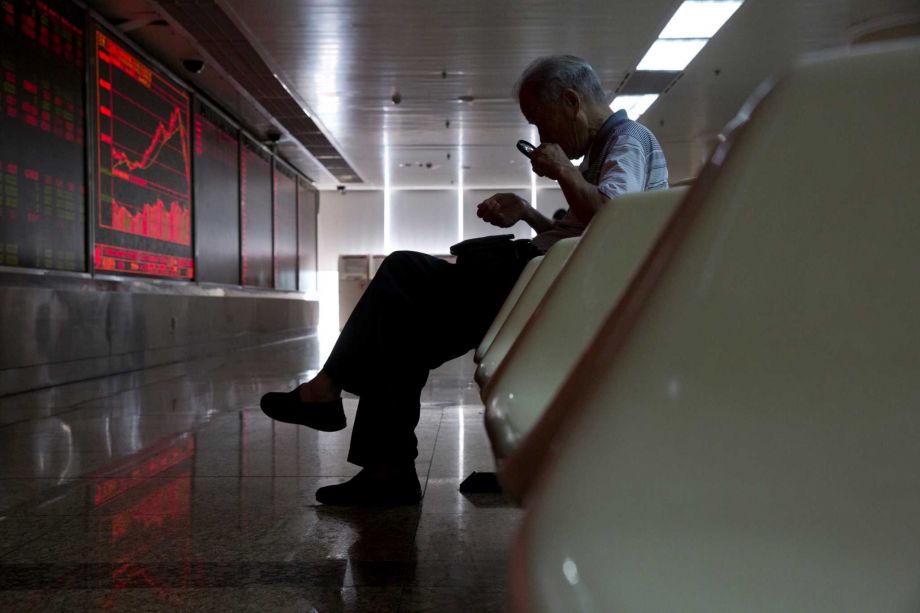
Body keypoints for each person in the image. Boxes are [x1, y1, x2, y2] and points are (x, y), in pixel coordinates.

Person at [260, 55, 669, 506]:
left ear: (571, 102)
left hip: (547, 290)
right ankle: (383, 466)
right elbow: (581, 232)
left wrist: (565, 172)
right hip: (543, 282)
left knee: (402, 272)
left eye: (541, 122)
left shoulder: (628, 139)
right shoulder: (605, 149)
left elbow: (614, 221)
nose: (541, 137)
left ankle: (333, 399)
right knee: (400, 331)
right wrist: (529, 213)